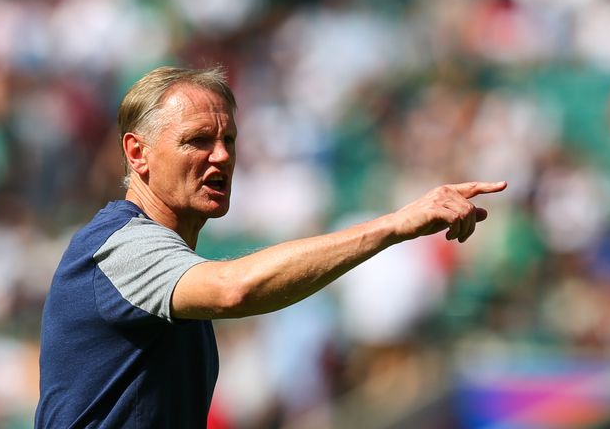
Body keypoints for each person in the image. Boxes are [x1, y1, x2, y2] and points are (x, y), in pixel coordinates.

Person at [34, 66, 507, 428]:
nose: (220, 155)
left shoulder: (165, 266)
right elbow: (232, 290)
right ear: (137, 153)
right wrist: (395, 225)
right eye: (197, 140)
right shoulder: (122, 244)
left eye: (229, 139)